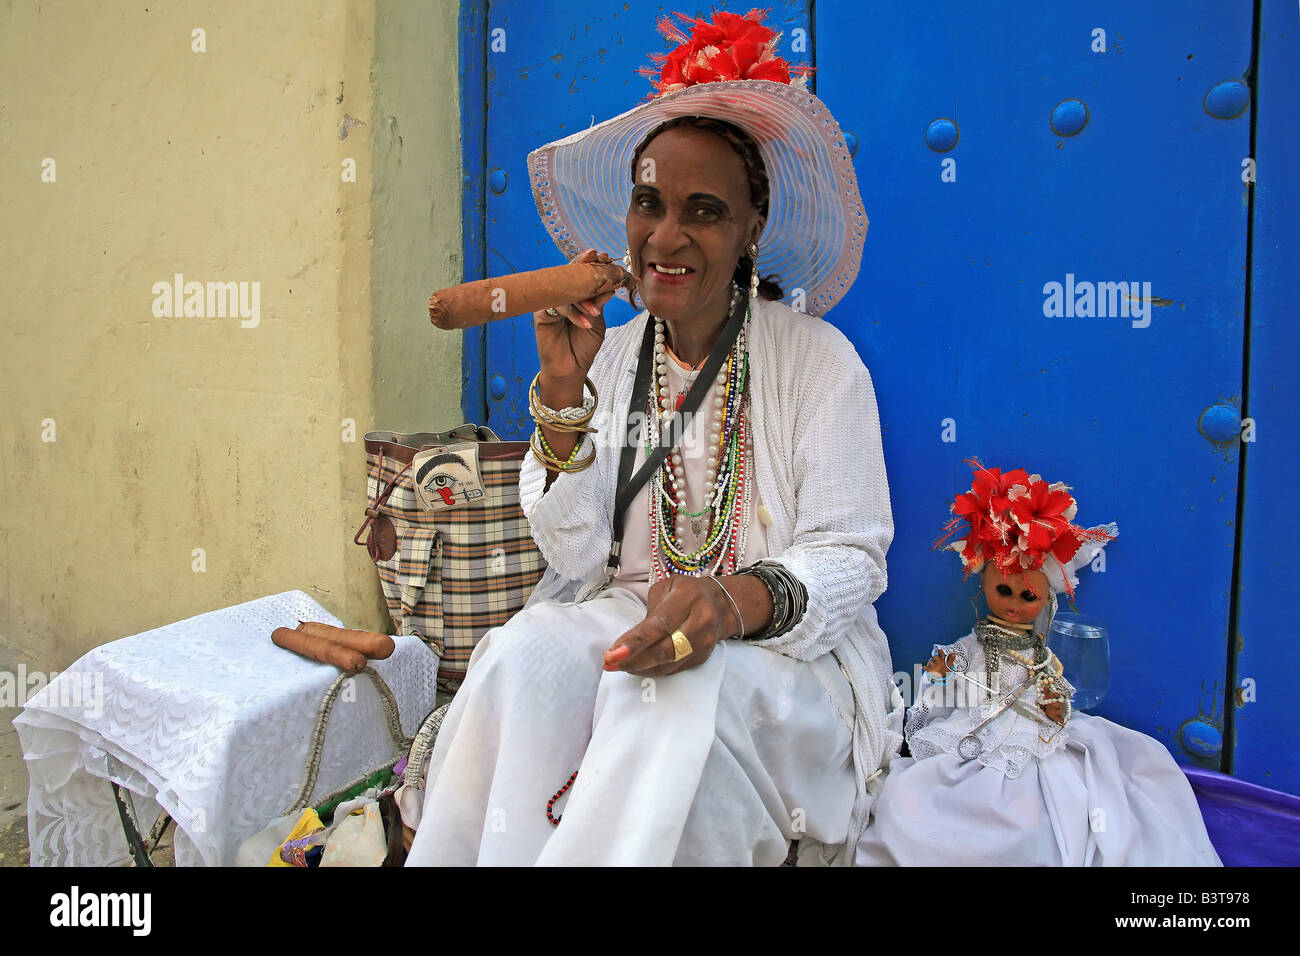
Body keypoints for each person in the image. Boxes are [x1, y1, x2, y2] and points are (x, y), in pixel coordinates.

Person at [405, 10, 902, 867]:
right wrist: (562, 397)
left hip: (774, 657)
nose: (664, 239)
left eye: (703, 212)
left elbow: (854, 555)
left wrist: (728, 603)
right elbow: (574, 547)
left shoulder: (818, 362)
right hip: (623, 611)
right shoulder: (616, 353)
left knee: (665, 698)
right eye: (649, 204)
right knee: (518, 658)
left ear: (752, 229)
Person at [855, 459, 1221, 866]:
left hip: (1024, 739)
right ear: (983, 585)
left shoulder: (1041, 657)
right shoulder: (969, 647)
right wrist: (939, 679)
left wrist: (1054, 706)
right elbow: (940, 699)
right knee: (917, 799)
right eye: (1003, 590)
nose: (1013, 603)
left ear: (1046, 600)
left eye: (1027, 597)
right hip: (969, 731)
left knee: (1028, 817)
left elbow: (1057, 695)